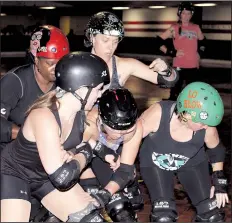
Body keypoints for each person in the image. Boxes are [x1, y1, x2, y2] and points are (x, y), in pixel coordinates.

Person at [1, 51, 112, 222]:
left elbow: (83, 143)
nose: (100, 95)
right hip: (15, 175)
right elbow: (63, 178)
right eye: (98, 89)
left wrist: (104, 152)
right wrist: (85, 153)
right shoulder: (44, 116)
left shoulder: (80, 113)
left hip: (44, 177)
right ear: (81, 89)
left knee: (92, 220)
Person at [139, 82, 229, 222]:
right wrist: (124, 167)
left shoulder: (207, 127)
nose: (206, 126)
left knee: (212, 216)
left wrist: (219, 182)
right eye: (202, 122)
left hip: (191, 162)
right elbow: (130, 138)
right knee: (164, 217)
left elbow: (216, 150)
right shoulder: (158, 114)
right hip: (155, 162)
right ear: (187, 115)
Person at [0, 25, 69, 151]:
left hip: (44, 152)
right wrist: (28, 135)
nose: (57, 69)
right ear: (36, 60)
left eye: (61, 63)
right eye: (50, 63)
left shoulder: (64, 82)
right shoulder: (15, 81)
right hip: (11, 155)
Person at [81, 88, 143, 222]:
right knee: (92, 211)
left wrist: (107, 192)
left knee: (123, 212)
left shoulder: (137, 125)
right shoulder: (90, 122)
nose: (123, 134)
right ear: (102, 122)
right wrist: (102, 150)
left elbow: (124, 170)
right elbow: (79, 145)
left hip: (116, 156)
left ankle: (131, 183)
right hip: (89, 159)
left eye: (129, 130)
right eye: (117, 131)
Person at [84, 11, 179, 90]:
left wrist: (166, 71)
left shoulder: (124, 65)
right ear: (92, 38)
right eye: (105, 40)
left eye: (115, 41)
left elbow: (170, 81)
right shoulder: (77, 66)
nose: (111, 47)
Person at [155, 2, 207, 100]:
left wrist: (200, 53)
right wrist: (171, 52)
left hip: (193, 66)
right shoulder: (174, 28)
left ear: (192, 14)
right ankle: (172, 113)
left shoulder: (196, 27)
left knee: (193, 93)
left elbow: (203, 42)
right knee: (175, 94)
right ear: (179, 14)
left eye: (188, 13)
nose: (186, 16)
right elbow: (158, 41)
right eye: (183, 13)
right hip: (179, 65)